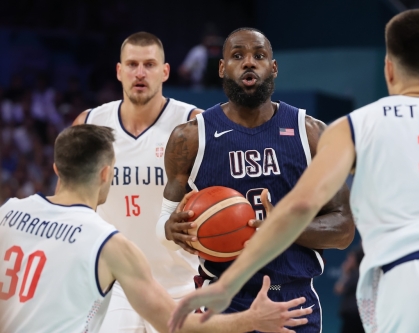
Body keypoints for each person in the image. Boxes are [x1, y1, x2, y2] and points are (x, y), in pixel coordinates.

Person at [169, 9, 419, 333]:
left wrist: (228, 284)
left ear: (388, 70)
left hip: (411, 277)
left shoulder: (356, 125)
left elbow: (299, 207)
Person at [0, 124, 312, 333]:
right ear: (107, 173)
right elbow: (174, 324)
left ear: (56, 168)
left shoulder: (9, 212)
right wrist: (251, 319)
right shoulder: (109, 245)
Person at [157, 27, 355, 333]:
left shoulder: (311, 133)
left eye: (259, 56)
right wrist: (172, 229)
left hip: (292, 299)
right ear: (222, 68)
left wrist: (286, 225)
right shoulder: (190, 138)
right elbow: (165, 225)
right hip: (224, 300)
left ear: (273, 68)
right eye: (238, 56)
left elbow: (343, 230)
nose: (249, 63)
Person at [73, 32, 203, 332]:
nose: (140, 73)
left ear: (165, 71)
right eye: (131, 64)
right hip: (113, 286)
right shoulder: (90, 124)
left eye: (149, 64)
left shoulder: (193, 124)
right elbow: (71, 209)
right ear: (119, 71)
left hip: (181, 285)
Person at [334, 245, 364, 333]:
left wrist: (344, 272)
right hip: (353, 317)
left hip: (355, 318)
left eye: (350, 259)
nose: (347, 261)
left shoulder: (356, 275)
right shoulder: (354, 274)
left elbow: (339, 289)